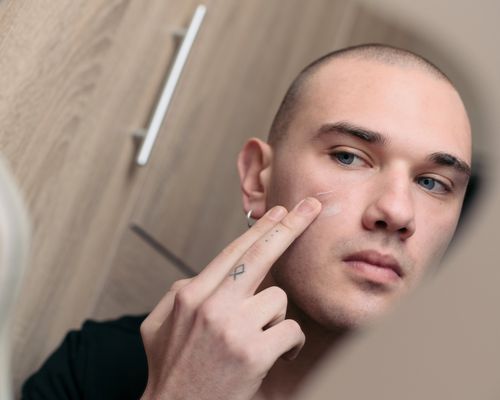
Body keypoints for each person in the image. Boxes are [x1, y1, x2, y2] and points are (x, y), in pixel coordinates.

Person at [21, 43, 472, 400]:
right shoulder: (96, 367)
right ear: (258, 177)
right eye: (349, 156)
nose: (397, 212)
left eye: (433, 183)